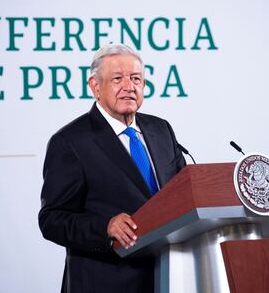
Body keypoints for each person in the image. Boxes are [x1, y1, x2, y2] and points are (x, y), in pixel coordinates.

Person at [39, 43, 186, 293]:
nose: (129, 86)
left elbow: (184, 194)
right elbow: (52, 219)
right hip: (106, 281)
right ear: (95, 86)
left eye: (136, 78)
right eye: (118, 78)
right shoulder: (70, 141)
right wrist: (105, 227)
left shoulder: (161, 130)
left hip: (169, 278)